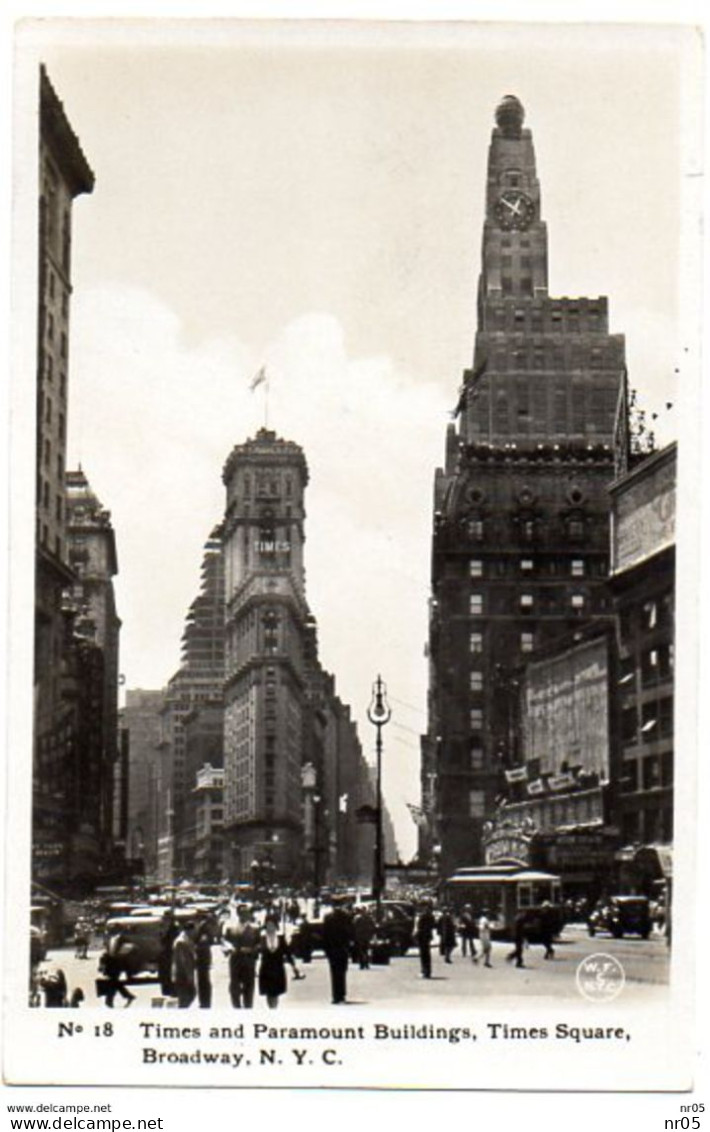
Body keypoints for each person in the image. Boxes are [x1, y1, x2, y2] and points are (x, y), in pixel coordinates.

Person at [257, 915, 302, 1009]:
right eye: (268, 925)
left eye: (272, 925)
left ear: (276, 926)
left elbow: (288, 953)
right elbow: (256, 952)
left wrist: (293, 966)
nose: (270, 927)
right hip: (266, 969)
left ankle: (274, 1008)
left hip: (277, 968)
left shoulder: (281, 939)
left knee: (275, 992)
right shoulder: (262, 939)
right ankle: (271, 1008)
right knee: (269, 993)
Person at [222, 905, 261, 1009]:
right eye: (242, 913)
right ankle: (236, 1007)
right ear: (238, 914)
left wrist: (252, 950)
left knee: (249, 987)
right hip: (235, 961)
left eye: (246, 912)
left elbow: (259, 944)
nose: (245, 915)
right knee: (234, 987)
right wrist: (228, 948)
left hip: (249, 962)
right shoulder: (231, 928)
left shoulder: (255, 929)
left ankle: (248, 1007)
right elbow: (225, 941)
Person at [322, 898, 354, 1004]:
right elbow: (350, 933)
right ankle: (342, 994)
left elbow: (325, 935)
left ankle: (336, 995)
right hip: (342, 948)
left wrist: (326, 950)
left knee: (334, 972)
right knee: (343, 971)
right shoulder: (346, 916)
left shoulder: (328, 917)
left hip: (332, 949)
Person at [99, 931, 136, 1008]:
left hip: (112, 964)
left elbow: (107, 953)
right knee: (114, 982)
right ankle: (125, 996)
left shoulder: (114, 938)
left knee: (113, 982)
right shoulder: (118, 938)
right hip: (115, 964)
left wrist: (102, 965)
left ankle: (110, 1000)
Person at [172, 921, 197, 1008]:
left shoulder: (186, 939)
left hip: (186, 973)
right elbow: (183, 960)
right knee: (185, 998)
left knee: (190, 996)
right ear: (190, 930)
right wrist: (189, 975)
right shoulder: (181, 942)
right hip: (182, 973)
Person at [158, 910, 179, 997]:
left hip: (171, 953)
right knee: (164, 973)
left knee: (171, 973)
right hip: (163, 954)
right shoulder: (162, 927)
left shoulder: (174, 929)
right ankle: (166, 990)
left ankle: (173, 990)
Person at [195, 918, 215, 1008]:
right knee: (204, 982)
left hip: (202, 963)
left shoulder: (203, 939)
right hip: (203, 963)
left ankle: (205, 1001)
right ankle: (205, 1001)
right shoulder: (204, 939)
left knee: (203, 982)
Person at [414, 900, 436, 979]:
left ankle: (425, 971)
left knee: (424, 954)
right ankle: (426, 971)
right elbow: (433, 925)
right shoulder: (430, 915)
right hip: (426, 935)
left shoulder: (424, 916)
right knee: (426, 954)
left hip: (423, 935)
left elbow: (420, 926)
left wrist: (417, 933)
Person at [352, 905, 376, 970]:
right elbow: (373, 926)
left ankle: (362, 964)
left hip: (360, 937)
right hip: (367, 936)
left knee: (361, 951)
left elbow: (353, 927)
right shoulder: (369, 918)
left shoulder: (357, 918)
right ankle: (366, 963)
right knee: (366, 950)